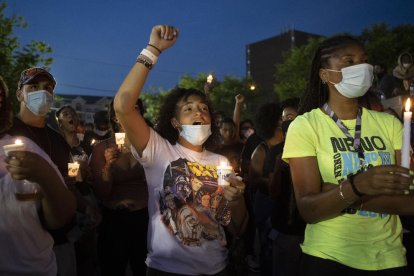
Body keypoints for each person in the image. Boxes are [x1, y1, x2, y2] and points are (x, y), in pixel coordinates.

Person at [114, 25, 248, 275]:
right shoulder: (158, 151)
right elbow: (123, 106)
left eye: (204, 108)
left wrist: (237, 200)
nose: (199, 112)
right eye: (188, 108)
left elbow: (237, 227)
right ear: (175, 123)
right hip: (166, 269)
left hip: (217, 268)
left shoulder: (221, 162)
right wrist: (153, 49)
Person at [283, 35, 414, 274]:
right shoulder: (305, 126)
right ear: (325, 75)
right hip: (328, 256)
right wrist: (359, 185)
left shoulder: (390, 124)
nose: (362, 68)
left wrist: (334, 190)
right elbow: (309, 209)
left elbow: (408, 201)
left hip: (389, 257)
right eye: (349, 61)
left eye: (364, 60)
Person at [0, 75, 76, 275]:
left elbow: (68, 178)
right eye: (33, 86)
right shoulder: (12, 132)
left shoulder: (55, 140)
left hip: (46, 247)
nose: (42, 92)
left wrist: (53, 176)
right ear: (19, 95)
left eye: (48, 87)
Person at [89, 99, 149, 276]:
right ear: (115, 117)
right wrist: (108, 166)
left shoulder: (149, 145)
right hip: (114, 220)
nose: (131, 113)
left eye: (135, 109)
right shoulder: (102, 147)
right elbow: (101, 193)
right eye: (126, 109)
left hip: (144, 218)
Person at [55, 105, 101, 276]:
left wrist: (91, 173)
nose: (71, 116)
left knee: (90, 241)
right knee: (76, 244)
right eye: (66, 114)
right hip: (72, 199)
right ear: (60, 123)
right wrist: (75, 175)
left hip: (89, 195)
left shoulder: (86, 145)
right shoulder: (59, 146)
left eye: (73, 112)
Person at [269, 98, 305, 276]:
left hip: (311, 227)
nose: (286, 122)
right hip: (285, 227)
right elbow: (272, 191)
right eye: (283, 118)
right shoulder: (276, 151)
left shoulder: (315, 148)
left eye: (290, 117)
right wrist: (278, 167)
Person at [248, 102, 284, 276]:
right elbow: (253, 181)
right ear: (275, 121)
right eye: (281, 118)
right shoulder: (261, 150)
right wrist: (268, 180)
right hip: (267, 205)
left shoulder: (292, 143)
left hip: (287, 205)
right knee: (268, 250)